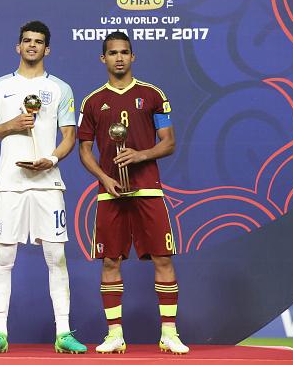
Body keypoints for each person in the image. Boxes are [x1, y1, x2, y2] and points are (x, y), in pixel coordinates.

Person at [0, 20, 87, 354]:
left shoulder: (62, 89)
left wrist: (51, 160)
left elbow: (69, 136)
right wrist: (10, 125)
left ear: (47, 49)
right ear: (18, 47)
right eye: (27, 41)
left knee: (56, 256)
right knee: (4, 257)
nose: (32, 46)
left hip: (47, 183)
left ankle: (64, 333)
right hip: (9, 184)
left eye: (39, 42)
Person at [77, 31, 189, 355]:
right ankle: (114, 335)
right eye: (112, 53)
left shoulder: (152, 95)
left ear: (133, 56)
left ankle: (169, 333)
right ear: (103, 58)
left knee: (162, 258)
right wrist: (103, 177)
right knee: (110, 260)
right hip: (110, 193)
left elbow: (168, 142)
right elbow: (85, 150)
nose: (119, 57)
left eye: (125, 52)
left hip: (148, 190)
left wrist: (140, 155)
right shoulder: (93, 101)